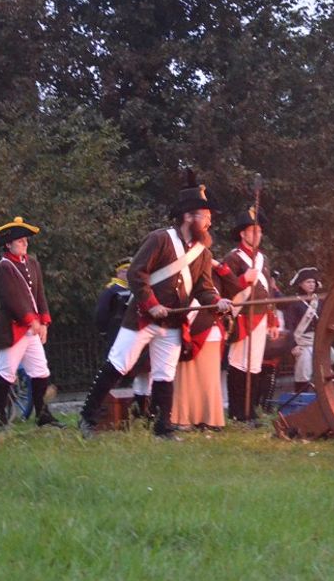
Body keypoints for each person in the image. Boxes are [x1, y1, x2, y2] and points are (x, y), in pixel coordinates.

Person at [77, 176, 231, 438]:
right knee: (118, 364)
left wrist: (218, 303)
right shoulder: (160, 239)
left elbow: (203, 289)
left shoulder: (203, 254)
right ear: (188, 216)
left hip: (172, 323)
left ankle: (163, 428)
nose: (209, 222)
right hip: (142, 318)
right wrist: (152, 305)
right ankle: (88, 418)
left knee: (164, 374)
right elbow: (137, 273)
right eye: (205, 216)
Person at [0, 217, 64, 430]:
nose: (25, 244)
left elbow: (39, 294)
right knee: (6, 373)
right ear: (8, 244)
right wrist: (31, 321)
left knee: (40, 371)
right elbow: (13, 298)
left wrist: (44, 321)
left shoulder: (32, 263)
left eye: (25, 240)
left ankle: (43, 415)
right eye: (20, 241)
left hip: (32, 328)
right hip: (12, 328)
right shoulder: (5, 266)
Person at [220, 206, 281, 424]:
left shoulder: (263, 259)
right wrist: (244, 278)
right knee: (238, 364)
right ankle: (237, 411)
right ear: (243, 234)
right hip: (242, 316)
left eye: (259, 231)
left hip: (261, 317)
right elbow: (224, 290)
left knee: (255, 365)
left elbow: (269, 292)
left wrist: (273, 320)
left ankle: (251, 410)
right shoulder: (233, 258)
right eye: (252, 231)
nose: (257, 235)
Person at [170, 259, 241, 431]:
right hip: (187, 328)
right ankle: (184, 418)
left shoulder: (215, 274)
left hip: (210, 330)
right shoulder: (181, 273)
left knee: (209, 381)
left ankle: (210, 419)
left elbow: (236, 286)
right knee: (186, 379)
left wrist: (218, 265)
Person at [93, 256, 152, 418]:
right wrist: (104, 331)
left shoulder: (137, 289)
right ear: (118, 273)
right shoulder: (111, 290)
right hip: (116, 332)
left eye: (129, 271)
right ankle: (105, 407)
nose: (127, 274)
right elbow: (101, 313)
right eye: (125, 271)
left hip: (135, 333)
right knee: (116, 370)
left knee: (138, 370)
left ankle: (137, 406)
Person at [281, 267, 326, 393]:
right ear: (300, 284)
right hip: (301, 342)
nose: (312, 285)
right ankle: (301, 398)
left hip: (317, 341)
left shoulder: (320, 301)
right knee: (303, 370)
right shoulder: (294, 302)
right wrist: (293, 345)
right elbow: (289, 325)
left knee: (328, 360)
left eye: (313, 282)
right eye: (308, 282)